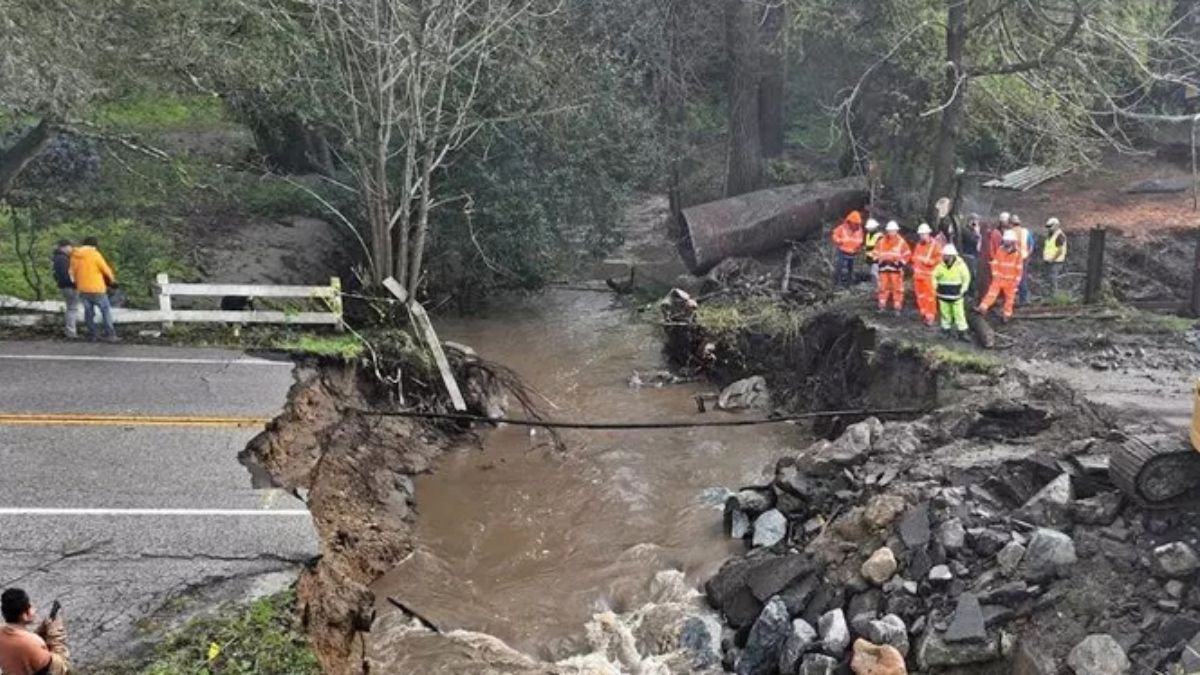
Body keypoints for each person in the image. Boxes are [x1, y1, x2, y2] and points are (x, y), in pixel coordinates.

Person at [0, 588, 70, 675]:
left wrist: (42, 630)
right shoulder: (32, 644)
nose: (34, 609)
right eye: (31, 606)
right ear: (24, 615)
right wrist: (56, 633)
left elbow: (20, 640)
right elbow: (59, 668)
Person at [69, 237, 118, 342]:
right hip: (97, 288)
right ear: (94, 245)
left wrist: (76, 283)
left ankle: (93, 335)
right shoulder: (95, 255)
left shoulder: (74, 256)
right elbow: (105, 269)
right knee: (105, 311)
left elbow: (71, 273)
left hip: (82, 288)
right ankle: (110, 335)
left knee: (89, 313)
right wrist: (113, 280)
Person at [977, 228, 1024, 322]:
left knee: (1009, 299)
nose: (1006, 242)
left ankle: (1007, 315)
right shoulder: (1000, 250)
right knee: (991, 294)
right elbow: (995, 263)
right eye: (1005, 240)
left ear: (1012, 241)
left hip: (1011, 281)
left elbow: (1019, 269)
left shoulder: (1018, 254)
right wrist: (995, 275)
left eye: (1008, 240)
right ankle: (982, 308)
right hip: (999, 278)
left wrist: (1016, 281)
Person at [934, 244, 972, 342]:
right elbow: (934, 276)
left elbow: (966, 278)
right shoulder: (940, 265)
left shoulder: (961, 266)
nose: (944, 257)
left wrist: (963, 289)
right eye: (944, 255)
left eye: (946, 255)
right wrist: (935, 287)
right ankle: (945, 330)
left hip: (956, 295)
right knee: (945, 313)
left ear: (952, 256)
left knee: (959, 314)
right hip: (943, 294)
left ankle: (962, 332)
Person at [875, 221, 911, 314]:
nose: (891, 233)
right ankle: (882, 306)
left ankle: (897, 307)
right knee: (882, 288)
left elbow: (907, 254)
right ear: (887, 231)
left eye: (893, 231)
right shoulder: (881, 241)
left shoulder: (901, 242)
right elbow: (875, 253)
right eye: (890, 231)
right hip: (883, 269)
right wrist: (878, 261)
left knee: (897, 288)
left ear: (896, 231)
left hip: (896, 270)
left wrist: (901, 263)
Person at [911, 224, 940, 326]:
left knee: (930, 297)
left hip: (929, 276)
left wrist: (929, 262)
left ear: (928, 233)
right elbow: (914, 257)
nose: (922, 236)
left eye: (923, 234)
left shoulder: (934, 245)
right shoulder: (919, 245)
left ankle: (930, 316)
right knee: (920, 296)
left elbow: (939, 259)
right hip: (918, 276)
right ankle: (924, 313)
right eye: (921, 234)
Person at [50, 241, 77, 340]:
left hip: (65, 286)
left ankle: (70, 330)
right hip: (69, 286)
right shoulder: (62, 259)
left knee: (71, 308)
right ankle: (71, 332)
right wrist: (74, 284)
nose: (71, 249)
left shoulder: (58, 258)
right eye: (70, 247)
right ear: (64, 247)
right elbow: (65, 274)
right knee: (72, 308)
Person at [830, 210, 865, 287]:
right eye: (854, 223)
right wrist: (838, 241)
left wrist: (858, 246)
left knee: (850, 269)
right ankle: (836, 284)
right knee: (839, 267)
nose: (855, 225)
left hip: (853, 252)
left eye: (857, 223)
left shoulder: (859, 230)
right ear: (850, 221)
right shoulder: (842, 228)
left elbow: (861, 239)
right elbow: (834, 235)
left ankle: (849, 284)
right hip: (842, 251)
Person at [1011, 214, 1033, 305]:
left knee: (1016, 279)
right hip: (1024, 258)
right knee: (1023, 278)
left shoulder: (1010, 232)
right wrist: (1027, 255)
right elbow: (1031, 245)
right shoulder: (1026, 231)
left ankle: (1021, 299)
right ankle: (1024, 298)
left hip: (1013, 259)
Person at [1043, 217, 1067, 296]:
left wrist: (1052, 259)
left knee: (1053, 279)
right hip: (1049, 261)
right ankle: (1050, 294)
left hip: (1056, 262)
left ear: (1056, 225)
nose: (1049, 228)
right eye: (1048, 227)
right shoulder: (1051, 235)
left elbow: (1060, 251)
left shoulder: (1059, 235)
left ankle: (1054, 296)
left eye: (1050, 226)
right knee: (1049, 279)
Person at [961, 215, 982, 296]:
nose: (975, 223)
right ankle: (967, 294)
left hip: (974, 256)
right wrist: (977, 233)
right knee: (968, 276)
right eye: (973, 221)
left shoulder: (975, 231)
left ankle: (971, 294)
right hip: (967, 256)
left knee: (973, 276)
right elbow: (972, 241)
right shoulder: (965, 230)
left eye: (976, 221)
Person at [863, 218, 882, 283]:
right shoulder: (868, 235)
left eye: (870, 227)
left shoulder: (879, 236)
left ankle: (878, 286)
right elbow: (868, 245)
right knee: (870, 274)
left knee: (874, 274)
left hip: (876, 259)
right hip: (869, 258)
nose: (868, 229)